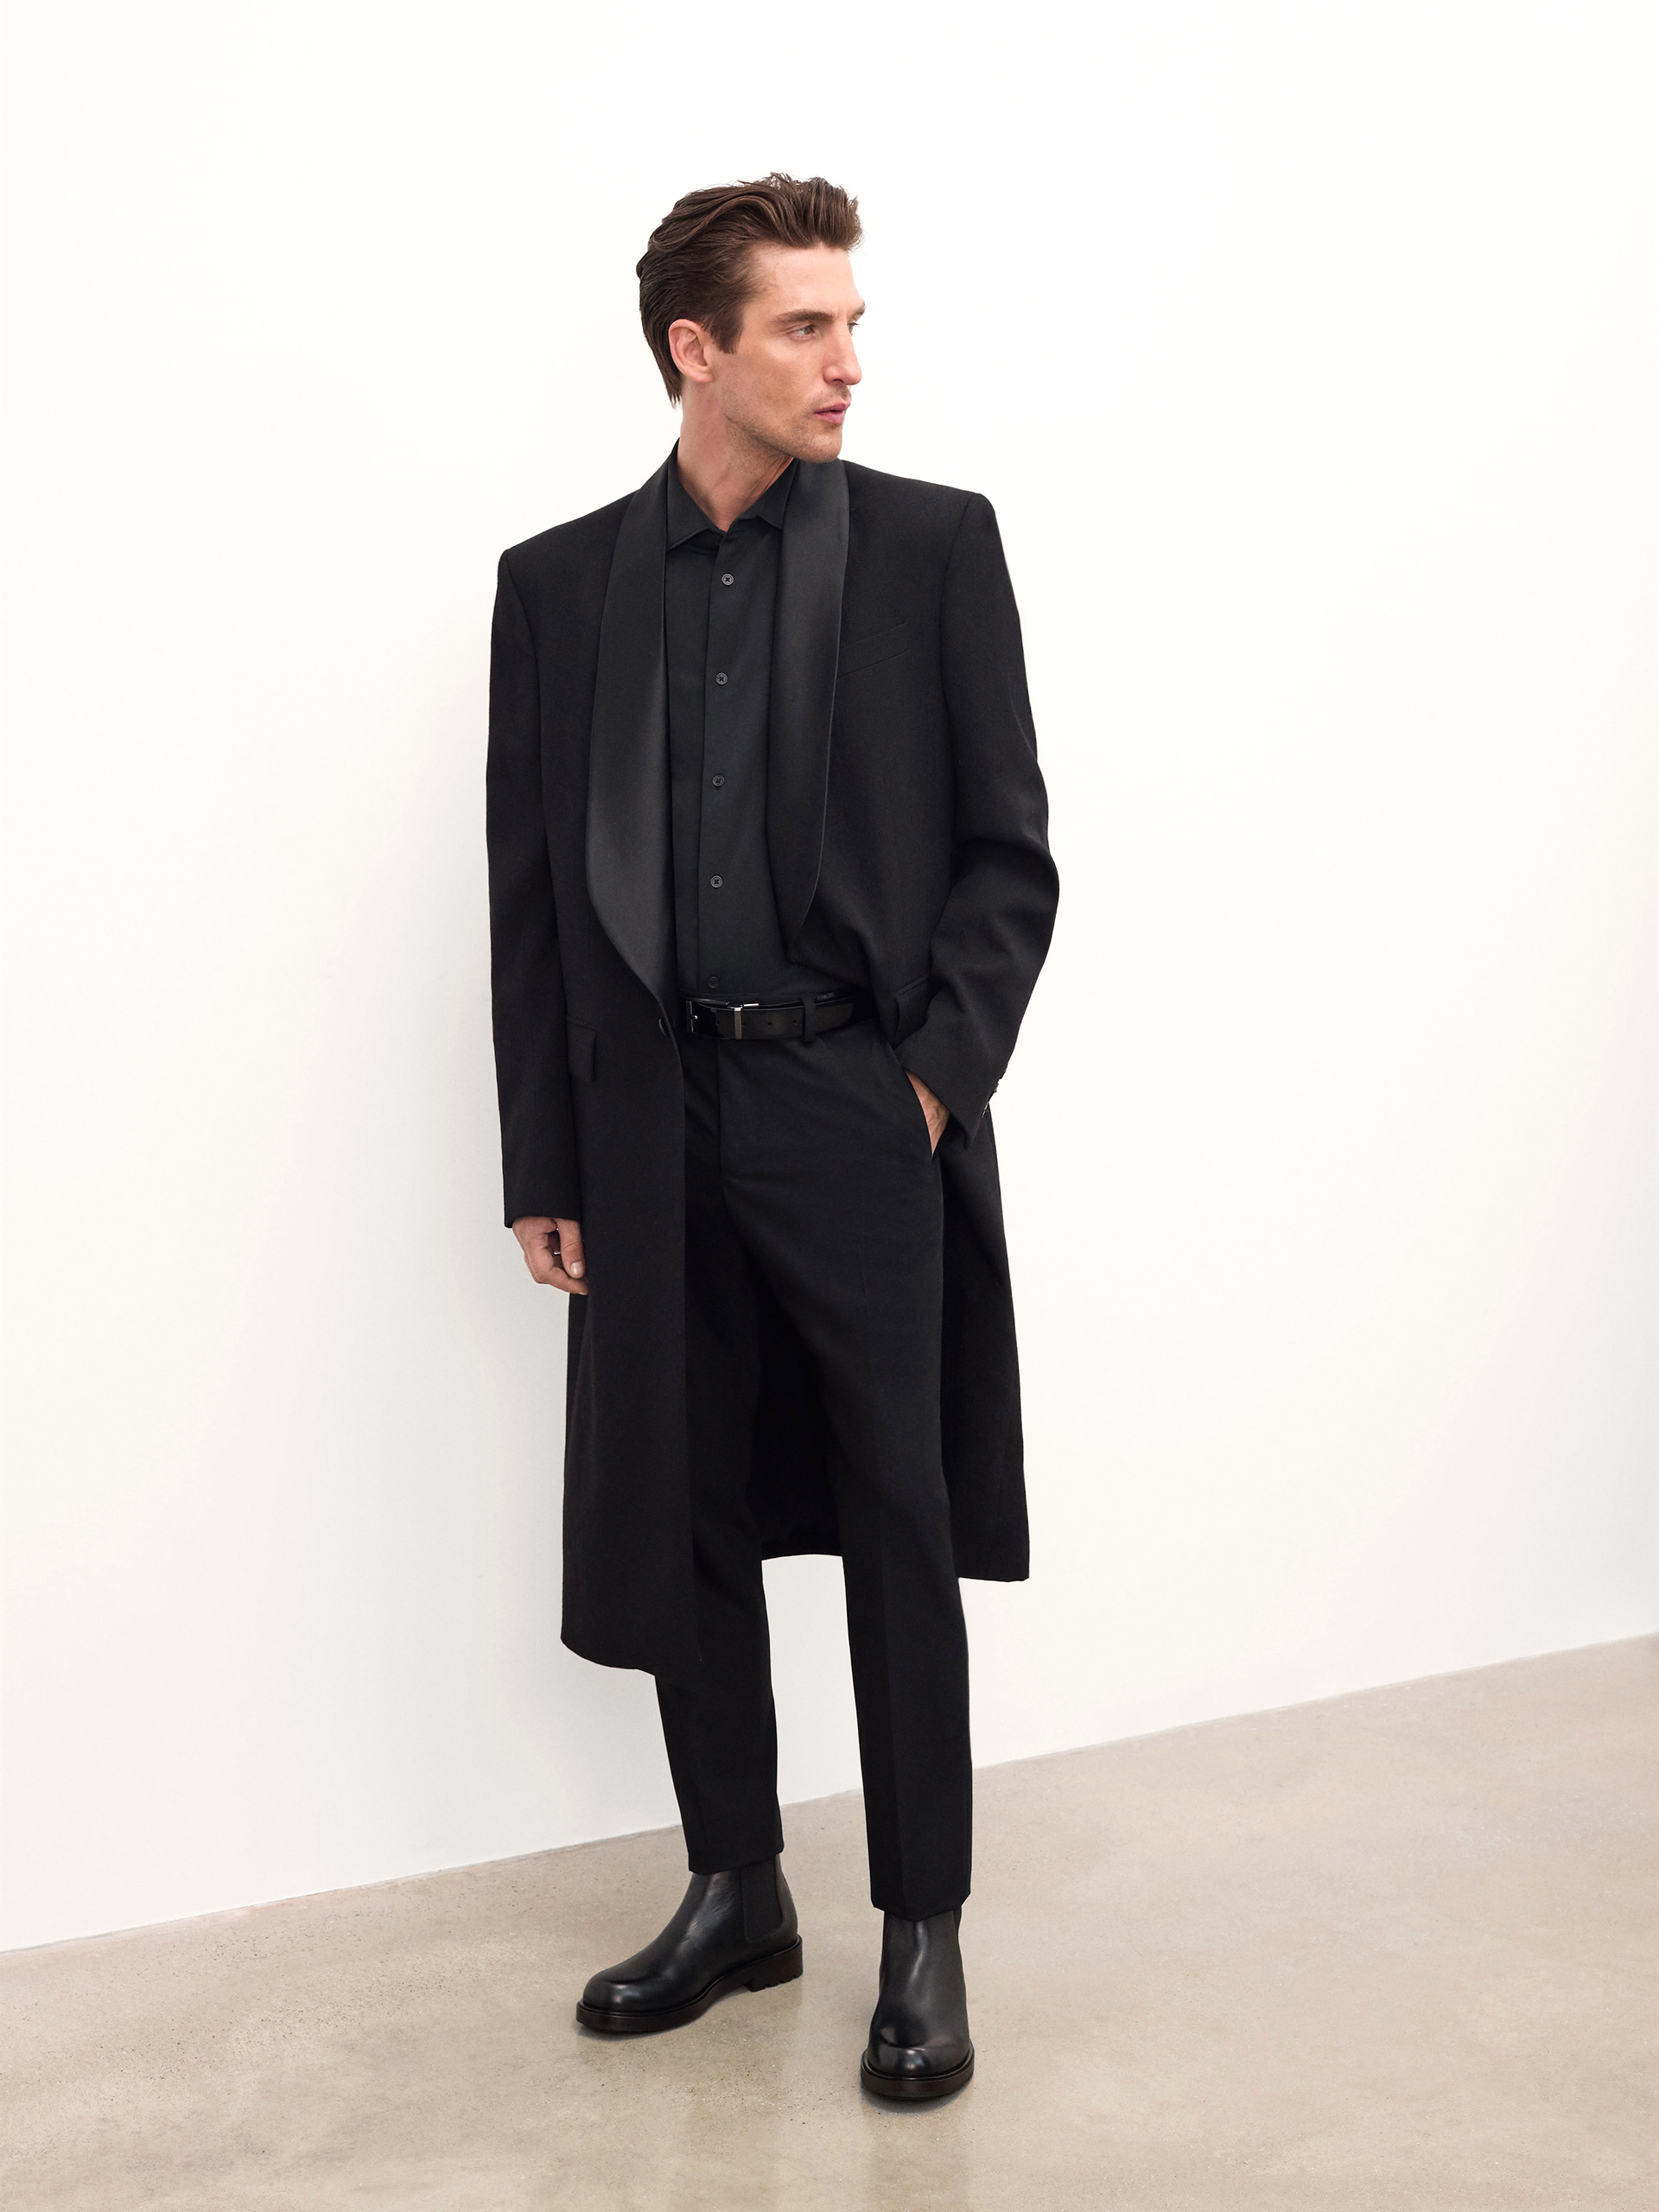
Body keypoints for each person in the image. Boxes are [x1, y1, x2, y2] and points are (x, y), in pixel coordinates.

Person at [486, 174, 1057, 2100]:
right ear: (696, 348)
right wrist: (546, 1159)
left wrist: (929, 1082)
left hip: (849, 1098)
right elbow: (532, 899)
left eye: (850, 320)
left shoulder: (931, 548)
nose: (846, 360)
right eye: (805, 325)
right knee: (686, 1503)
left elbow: (1008, 855)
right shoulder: (557, 586)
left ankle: (923, 1930)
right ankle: (738, 1888)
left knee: (898, 1507)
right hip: (649, 1115)